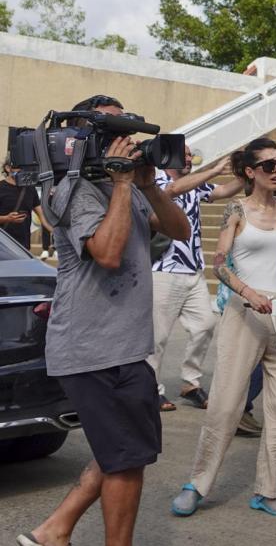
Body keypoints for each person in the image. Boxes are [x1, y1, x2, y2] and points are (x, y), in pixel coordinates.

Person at [18, 95, 190, 546]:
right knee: (125, 458)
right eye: (111, 131)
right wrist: (120, 184)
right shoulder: (69, 190)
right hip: (91, 349)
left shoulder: (129, 187)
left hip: (128, 346)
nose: (124, 141)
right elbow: (108, 254)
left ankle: (54, 530)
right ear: (79, 137)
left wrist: (149, 186)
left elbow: (179, 231)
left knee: (124, 451)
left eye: (126, 131)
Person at [171, 138, 276, 518]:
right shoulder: (236, 209)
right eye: (269, 165)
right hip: (244, 312)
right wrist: (248, 290)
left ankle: (266, 490)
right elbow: (219, 265)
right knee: (225, 405)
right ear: (250, 172)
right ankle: (197, 484)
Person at [146, 147, 245, 412]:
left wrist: (248, 172)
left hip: (193, 270)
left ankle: (190, 383)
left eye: (191, 155)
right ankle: (151, 390)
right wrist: (211, 170)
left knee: (205, 325)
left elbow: (223, 191)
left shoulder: (194, 186)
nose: (189, 159)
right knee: (157, 338)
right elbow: (173, 190)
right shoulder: (155, 180)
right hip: (162, 270)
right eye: (184, 155)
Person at [0, 156, 51, 252]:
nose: (22, 170)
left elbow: (42, 216)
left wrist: (55, 230)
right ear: (7, 168)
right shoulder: (1, 188)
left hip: (24, 247)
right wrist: (7, 218)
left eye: (25, 167)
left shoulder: (30, 189)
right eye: (19, 167)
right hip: (3, 247)